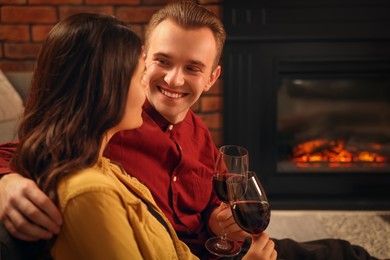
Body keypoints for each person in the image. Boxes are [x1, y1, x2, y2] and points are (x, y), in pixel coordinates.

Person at [0, 1, 378, 260]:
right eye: (162, 61)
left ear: (212, 77)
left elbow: (214, 202)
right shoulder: (107, 122)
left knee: (345, 251)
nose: (174, 79)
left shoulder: (198, 131)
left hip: (221, 250)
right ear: (143, 60)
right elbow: (33, 149)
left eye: (193, 68)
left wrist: (218, 218)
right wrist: (6, 184)